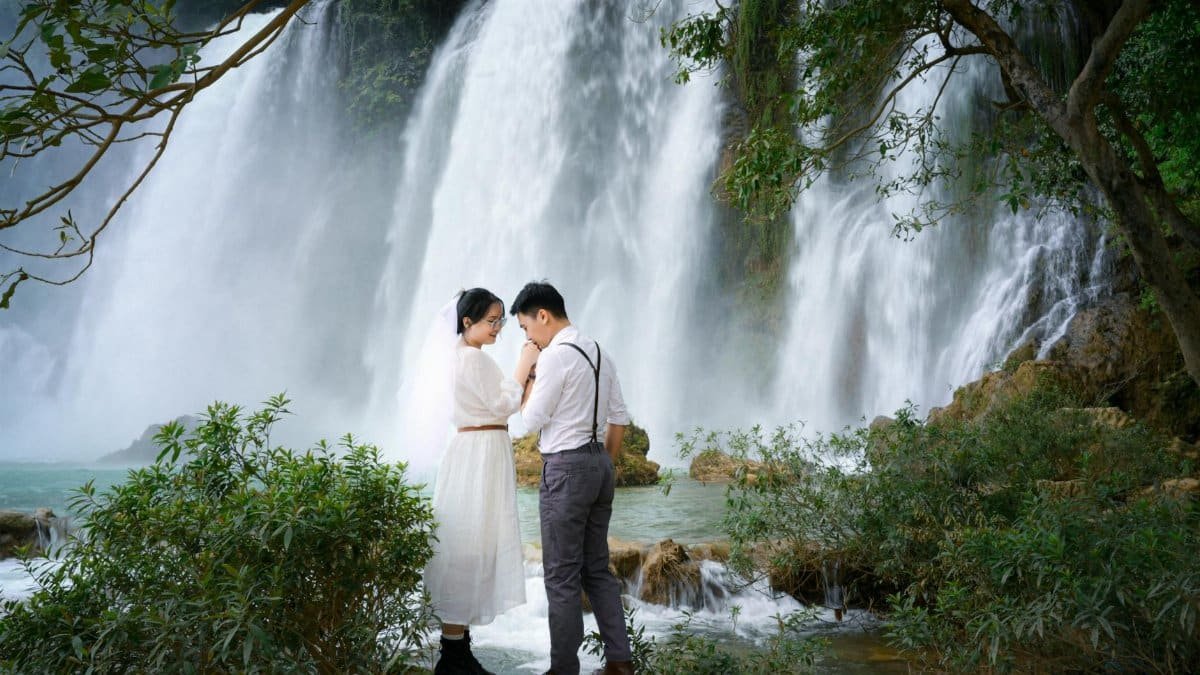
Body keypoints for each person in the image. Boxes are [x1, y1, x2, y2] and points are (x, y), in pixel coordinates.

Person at [510, 282, 634, 675]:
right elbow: (619, 418)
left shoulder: (554, 358)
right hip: (599, 465)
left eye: (526, 328)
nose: (529, 337)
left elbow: (529, 421)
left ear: (542, 315)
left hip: (565, 468)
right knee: (596, 569)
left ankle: (563, 668)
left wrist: (528, 374)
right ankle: (620, 662)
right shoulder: (601, 352)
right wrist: (604, 464)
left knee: (561, 575)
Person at [423, 288, 527, 675]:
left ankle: (456, 650)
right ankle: (455, 656)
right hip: (482, 449)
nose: (499, 327)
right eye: (492, 320)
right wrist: (525, 361)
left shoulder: (455, 358)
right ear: (468, 322)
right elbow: (504, 405)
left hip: (470, 448)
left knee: (464, 542)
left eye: (501, 320)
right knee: (473, 540)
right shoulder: (472, 359)